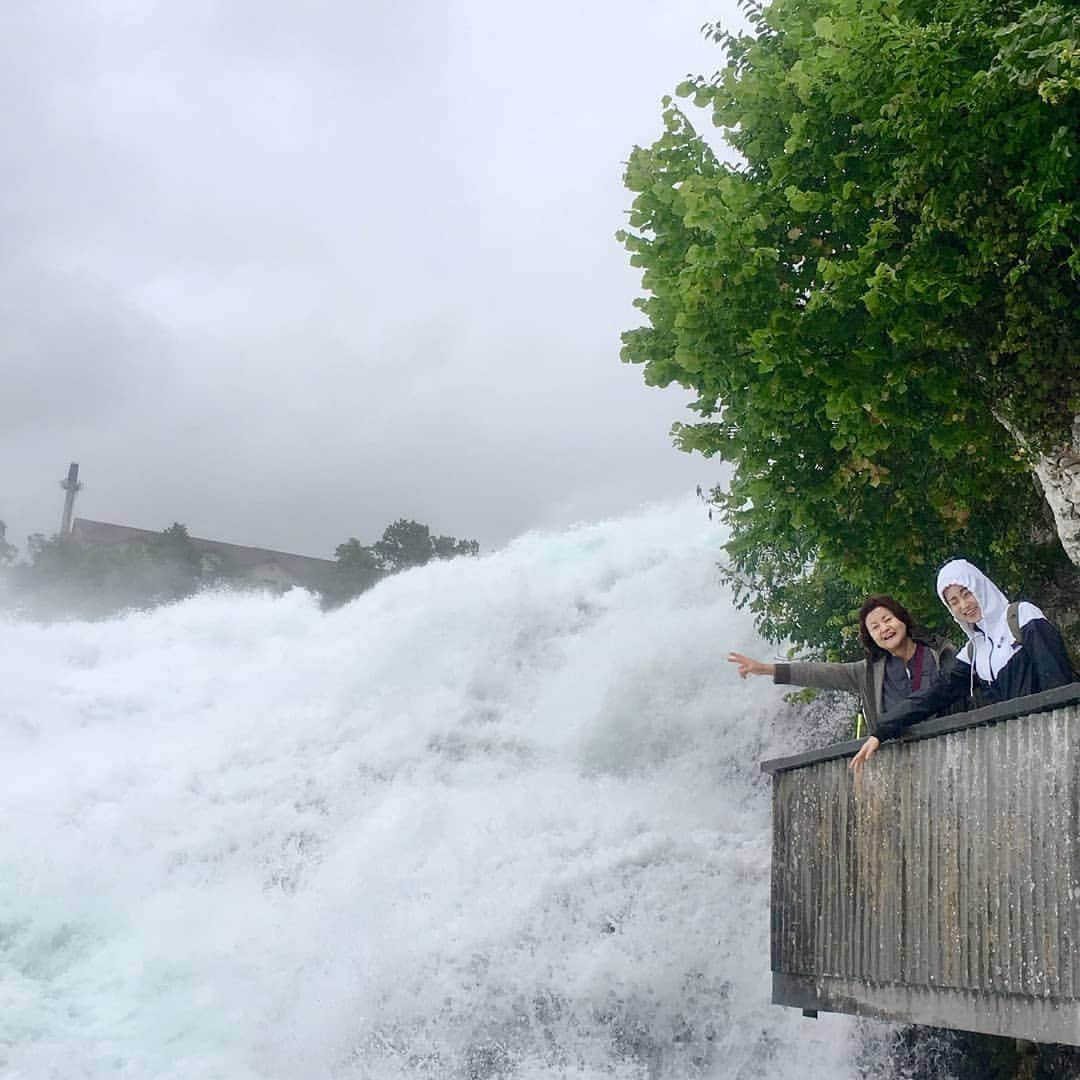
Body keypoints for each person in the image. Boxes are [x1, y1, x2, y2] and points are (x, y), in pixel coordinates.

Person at [850, 558, 1076, 770]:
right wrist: (881, 731)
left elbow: (1057, 678)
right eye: (954, 602)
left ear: (980, 586)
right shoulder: (974, 650)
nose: (964, 605)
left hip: (1057, 738)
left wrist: (1059, 737)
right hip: (1019, 748)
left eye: (966, 593)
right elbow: (931, 695)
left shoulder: (1022, 615)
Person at [727, 594, 958, 737]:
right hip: (897, 759)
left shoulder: (941, 653)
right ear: (871, 637)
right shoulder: (867, 673)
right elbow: (821, 673)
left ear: (902, 620)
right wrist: (765, 669)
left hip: (950, 748)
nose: (884, 628)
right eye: (875, 627)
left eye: (887, 619)